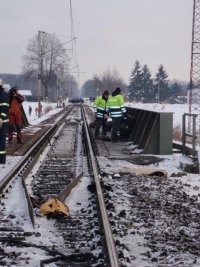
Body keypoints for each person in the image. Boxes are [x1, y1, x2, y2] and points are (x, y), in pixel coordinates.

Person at [0, 79, 9, 164]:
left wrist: (1, 118)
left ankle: (1, 160)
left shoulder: (3, 95)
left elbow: (4, 108)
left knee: (1, 139)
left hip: (2, 121)